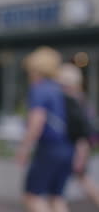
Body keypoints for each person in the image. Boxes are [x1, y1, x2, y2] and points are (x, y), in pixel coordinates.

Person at [16, 46, 74, 212]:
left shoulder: (40, 89)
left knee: (32, 196)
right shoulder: (60, 88)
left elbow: (37, 122)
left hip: (49, 149)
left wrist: (24, 148)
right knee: (57, 197)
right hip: (67, 147)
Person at [58, 63, 99, 209]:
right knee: (81, 181)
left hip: (77, 148)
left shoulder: (72, 101)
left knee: (61, 189)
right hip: (79, 147)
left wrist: (81, 154)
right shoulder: (80, 99)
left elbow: (82, 131)